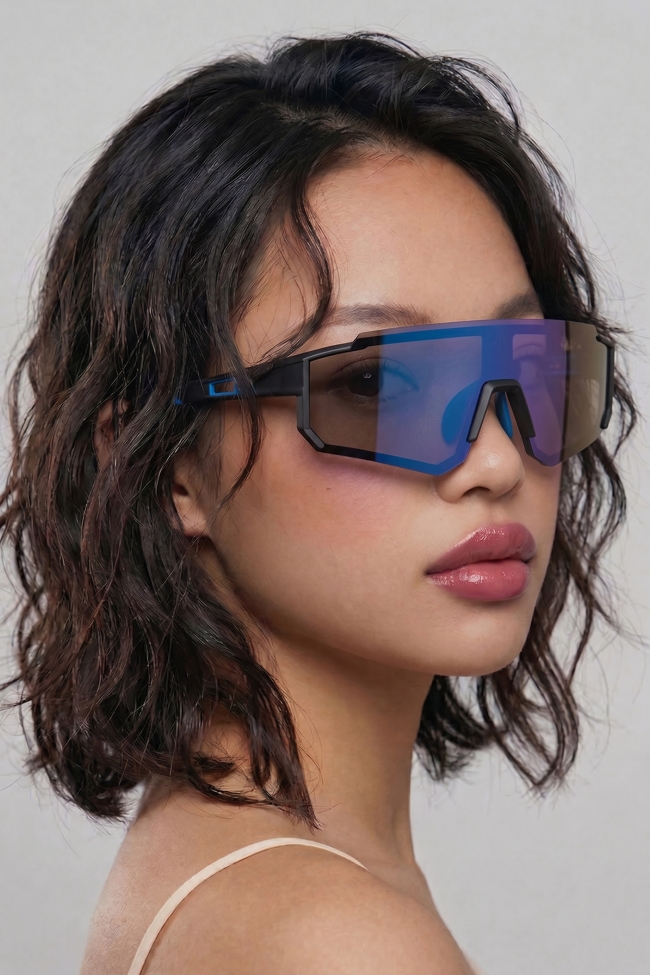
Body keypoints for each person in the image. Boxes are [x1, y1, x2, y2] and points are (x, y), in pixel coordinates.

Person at [0, 32, 635, 975]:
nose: (499, 459)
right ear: (168, 466)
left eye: (529, 366)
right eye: (373, 384)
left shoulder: (218, 867)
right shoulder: (340, 940)